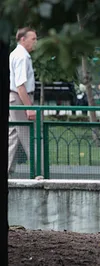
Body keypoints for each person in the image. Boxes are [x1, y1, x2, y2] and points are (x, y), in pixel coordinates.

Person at [8, 27, 37, 176]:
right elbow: (20, 86)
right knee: (31, 135)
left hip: (15, 99)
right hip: (21, 99)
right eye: (33, 39)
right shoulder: (22, 56)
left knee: (13, 135)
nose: (35, 42)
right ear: (22, 39)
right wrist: (29, 107)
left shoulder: (16, 54)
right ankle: (40, 171)